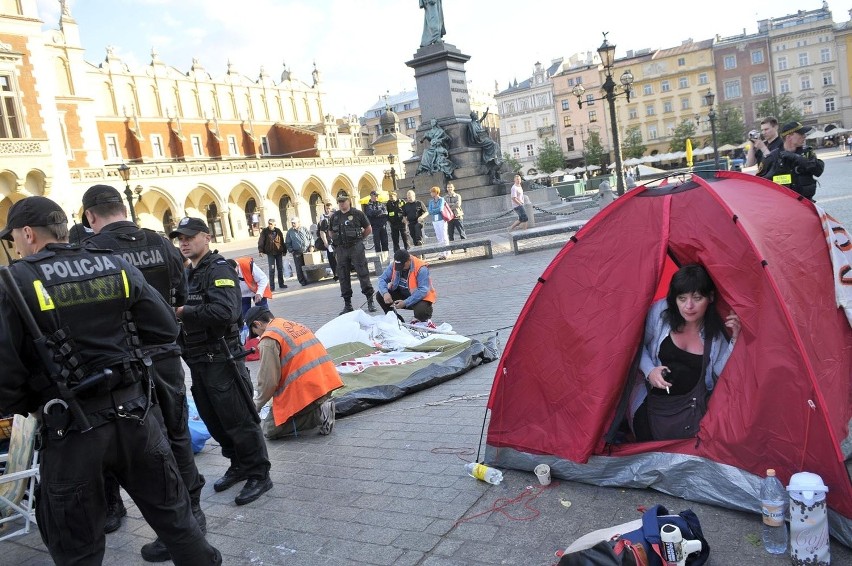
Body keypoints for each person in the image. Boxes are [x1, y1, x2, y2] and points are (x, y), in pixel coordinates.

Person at [0, 196, 221, 565]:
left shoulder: (16, 280)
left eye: (14, 239)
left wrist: (31, 402)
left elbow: (5, 374)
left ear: (27, 233)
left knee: (78, 548)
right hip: (136, 416)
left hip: (70, 431)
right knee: (178, 526)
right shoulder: (113, 264)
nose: (15, 246)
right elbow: (165, 328)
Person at [80, 185, 209, 559]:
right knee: (177, 431)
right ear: (122, 207)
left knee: (146, 444)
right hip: (167, 354)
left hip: (124, 361)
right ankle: (193, 514)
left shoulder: (90, 251)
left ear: (90, 216)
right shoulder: (160, 242)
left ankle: (172, 526)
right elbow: (181, 294)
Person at [171, 217, 273, 507]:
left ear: (206, 237)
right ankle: (238, 463)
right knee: (214, 419)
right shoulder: (187, 273)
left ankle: (259, 472)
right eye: (180, 238)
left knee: (239, 418)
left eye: (190, 236)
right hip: (198, 359)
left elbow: (227, 312)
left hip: (222, 358)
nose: (184, 242)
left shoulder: (218, 268)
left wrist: (183, 312)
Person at [630, 264, 741, 442]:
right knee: (649, 444)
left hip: (692, 408)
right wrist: (650, 371)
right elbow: (634, 345)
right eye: (682, 298)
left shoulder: (715, 330)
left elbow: (720, 372)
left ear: (710, 297)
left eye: (697, 298)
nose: (689, 306)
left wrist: (735, 339)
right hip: (651, 404)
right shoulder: (661, 313)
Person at [244, 306, 343, 440]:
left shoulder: (269, 339)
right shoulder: (293, 324)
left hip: (309, 391)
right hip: (326, 382)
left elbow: (268, 381)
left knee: (269, 429)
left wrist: (256, 405)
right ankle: (317, 407)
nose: (258, 337)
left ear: (257, 324)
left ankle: (319, 414)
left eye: (256, 333)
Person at [329, 194, 377, 315]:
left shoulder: (357, 213)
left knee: (363, 273)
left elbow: (368, 228)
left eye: (343, 201)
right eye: (339, 202)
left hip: (356, 247)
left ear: (349, 201)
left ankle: (370, 301)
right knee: (343, 276)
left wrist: (360, 239)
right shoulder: (334, 216)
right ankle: (347, 305)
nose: (341, 204)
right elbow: (330, 231)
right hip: (341, 249)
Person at [756, 121, 825, 200]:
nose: (804, 136)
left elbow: (818, 171)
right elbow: (759, 181)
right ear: (789, 137)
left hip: (805, 203)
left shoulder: (807, 153)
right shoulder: (773, 156)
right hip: (783, 204)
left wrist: (797, 158)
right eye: (801, 134)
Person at [375, 249, 437, 327]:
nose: (400, 268)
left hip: (419, 298)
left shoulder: (421, 268)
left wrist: (405, 302)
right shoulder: (395, 265)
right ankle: (396, 320)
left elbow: (423, 291)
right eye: (398, 266)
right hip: (402, 295)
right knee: (380, 295)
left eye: (402, 266)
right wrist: (385, 293)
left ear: (408, 261)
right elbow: (382, 278)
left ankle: (422, 321)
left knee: (421, 311)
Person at [467, 109, 503, 183]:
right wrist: (481, 134)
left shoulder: (477, 123)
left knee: (495, 144)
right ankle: (490, 157)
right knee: (492, 144)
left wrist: (486, 113)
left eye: (477, 115)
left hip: (483, 137)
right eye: (475, 115)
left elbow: (482, 118)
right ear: (473, 117)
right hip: (479, 139)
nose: (477, 116)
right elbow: (474, 134)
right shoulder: (471, 124)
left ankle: (497, 158)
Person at [257, 219, 287, 291]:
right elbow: (261, 240)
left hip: (278, 252)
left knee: (280, 268)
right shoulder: (265, 231)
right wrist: (260, 250)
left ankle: (281, 284)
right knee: (272, 269)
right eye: (269, 223)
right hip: (270, 253)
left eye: (271, 224)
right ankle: (272, 286)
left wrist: (284, 250)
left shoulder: (278, 231)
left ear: (274, 224)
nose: (269, 225)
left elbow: (282, 241)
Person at [285, 216, 313, 286]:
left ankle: (310, 278)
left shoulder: (304, 229)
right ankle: (302, 281)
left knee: (308, 265)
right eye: (292, 223)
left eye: (294, 223)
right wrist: (291, 251)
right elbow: (288, 243)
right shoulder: (290, 232)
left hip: (306, 251)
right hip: (297, 252)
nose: (293, 224)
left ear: (298, 223)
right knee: (299, 267)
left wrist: (311, 246)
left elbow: (311, 238)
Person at [364, 190, 390, 263]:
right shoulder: (368, 206)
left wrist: (378, 214)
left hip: (383, 225)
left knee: (385, 242)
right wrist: (379, 212)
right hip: (375, 227)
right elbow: (370, 213)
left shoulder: (381, 204)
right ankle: (379, 260)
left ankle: (386, 259)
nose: (376, 197)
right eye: (375, 196)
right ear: (371, 196)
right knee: (377, 243)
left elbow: (385, 212)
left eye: (377, 196)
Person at [426, 186, 449, 260]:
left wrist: (434, 210)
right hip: (435, 220)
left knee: (444, 235)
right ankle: (441, 252)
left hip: (441, 219)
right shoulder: (431, 201)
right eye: (431, 192)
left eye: (432, 192)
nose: (431, 193)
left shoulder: (441, 199)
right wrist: (435, 210)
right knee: (439, 236)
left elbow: (440, 208)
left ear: (436, 192)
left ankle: (447, 251)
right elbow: (430, 211)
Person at [317, 202, 338, 280]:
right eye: (327, 209)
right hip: (330, 242)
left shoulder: (337, 219)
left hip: (338, 242)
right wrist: (325, 242)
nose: (329, 211)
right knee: (332, 259)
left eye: (330, 209)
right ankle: (336, 274)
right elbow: (322, 232)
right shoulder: (325, 220)